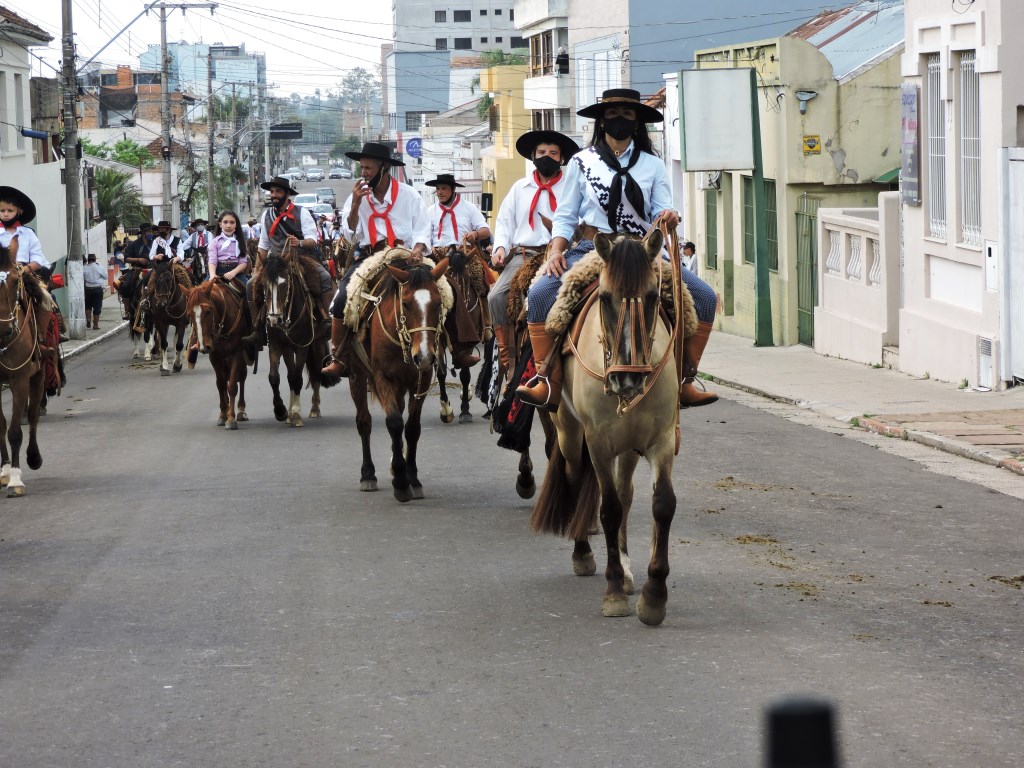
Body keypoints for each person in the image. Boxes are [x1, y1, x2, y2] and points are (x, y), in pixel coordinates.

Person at [517, 88, 719, 411]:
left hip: (642, 252)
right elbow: (566, 216)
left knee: (706, 299)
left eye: (627, 114)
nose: (620, 120)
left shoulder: (653, 165)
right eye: (613, 114)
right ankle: (546, 380)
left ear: (636, 121)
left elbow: (662, 210)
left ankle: (685, 380)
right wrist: (556, 251)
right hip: (594, 249)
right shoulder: (581, 163)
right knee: (540, 294)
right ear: (601, 121)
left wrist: (668, 216)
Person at [321, 141, 431, 378]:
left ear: (384, 168)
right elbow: (351, 237)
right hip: (371, 256)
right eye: (362, 168)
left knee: (441, 288)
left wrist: (419, 249)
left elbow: (423, 228)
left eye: (368, 168)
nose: (364, 173)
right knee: (342, 297)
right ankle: (338, 357)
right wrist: (356, 206)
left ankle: (453, 347)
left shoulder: (408, 194)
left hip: (405, 255)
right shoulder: (356, 196)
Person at [488, 129, 579, 376]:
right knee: (495, 296)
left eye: (553, 153)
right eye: (541, 152)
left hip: (563, 253)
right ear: (533, 156)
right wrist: (500, 249)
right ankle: (508, 360)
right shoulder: (520, 187)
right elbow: (505, 222)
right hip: (524, 254)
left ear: (561, 158)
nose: (546, 157)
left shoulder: (573, 186)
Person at [241, 176, 334, 348]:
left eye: (278, 192)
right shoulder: (266, 215)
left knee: (325, 277)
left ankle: (326, 319)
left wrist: (298, 242)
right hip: (275, 262)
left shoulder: (302, 212)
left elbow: (312, 240)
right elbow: (263, 245)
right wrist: (256, 269)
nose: (274, 195)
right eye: (272, 192)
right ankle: (257, 328)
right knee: (250, 285)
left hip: (300, 257)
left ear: (287, 194)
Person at [0, 186, 55, 346]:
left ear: (19, 211)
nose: (5, 213)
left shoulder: (28, 233)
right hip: (1, 275)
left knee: (45, 298)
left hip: (24, 274)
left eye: (10, 210)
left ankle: (41, 337)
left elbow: (38, 259)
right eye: (2, 210)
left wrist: (25, 269)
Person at [427, 173, 490, 248]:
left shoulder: (469, 207)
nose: (439, 192)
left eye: (443, 188)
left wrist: (475, 234)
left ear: (453, 189)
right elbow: (424, 236)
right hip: (438, 254)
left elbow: (486, 231)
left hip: (464, 253)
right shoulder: (430, 211)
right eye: (438, 189)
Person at [207, 210, 249, 284]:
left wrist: (233, 273)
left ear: (236, 225)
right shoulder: (215, 241)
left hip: (236, 273)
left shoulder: (241, 242)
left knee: (251, 289)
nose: (228, 225)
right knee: (200, 292)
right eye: (225, 222)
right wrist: (212, 274)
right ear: (220, 224)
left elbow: (243, 262)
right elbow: (212, 260)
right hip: (217, 272)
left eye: (232, 222)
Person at [83, 253, 107, 330]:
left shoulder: (84, 267)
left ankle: (88, 320)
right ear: (95, 260)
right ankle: (95, 325)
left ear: (88, 260)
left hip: (87, 289)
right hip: (97, 289)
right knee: (97, 307)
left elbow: (81, 278)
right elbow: (106, 277)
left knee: (88, 305)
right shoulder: (98, 267)